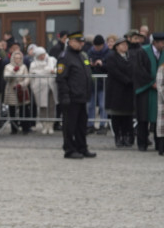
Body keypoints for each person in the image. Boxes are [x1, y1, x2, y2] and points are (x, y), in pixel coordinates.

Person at [56, 32, 96, 160]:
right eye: (78, 42)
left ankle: (81, 147)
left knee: (81, 125)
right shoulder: (65, 56)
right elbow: (61, 78)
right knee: (70, 126)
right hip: (71, 97)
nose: (81, 44)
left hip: (81, 96)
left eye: (82, 42)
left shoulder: (81, 55)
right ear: (71, 42)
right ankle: (69, 149)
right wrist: (65, 95)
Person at [132, 32, 164, 154]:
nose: (163, 44)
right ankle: (142, 142)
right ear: (154, 42)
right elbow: (139, 70)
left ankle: (159, 143)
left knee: (159, 118)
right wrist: (152, 83)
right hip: (145, 89)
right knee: (143, 117)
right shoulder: (143, 51)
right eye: (161, 42)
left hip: (159, 90)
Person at [104, 37, 134, 148]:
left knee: (127, 117)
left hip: (128, 92)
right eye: (122, 45)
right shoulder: (112, 57)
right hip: (116, 91)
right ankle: (118, 136)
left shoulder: (130, 57)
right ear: (117, 47)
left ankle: (127, 136)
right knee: (117, 116)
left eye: (126, 44)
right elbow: (114, 71)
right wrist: (127, 80)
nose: (125, 46)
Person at [28, 47, 58, 134]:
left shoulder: (52, 60)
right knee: (42, 107)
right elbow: (33, 74)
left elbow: (58, 68)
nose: (42, 57)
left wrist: (54, 71)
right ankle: (44, 125)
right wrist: (47, 71)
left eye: (43, 54)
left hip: (51, 86)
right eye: (40, 55)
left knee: (52, 106)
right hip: (40, 88)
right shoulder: (33, 64)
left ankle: (51, 125)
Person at [3, 51, 31, 134]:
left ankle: (25, 128)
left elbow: (27, 78)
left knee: (24, 109)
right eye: (16, 58)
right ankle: (14, 128)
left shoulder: (24, 67)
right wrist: (13, 72)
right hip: (11, 90)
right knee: (12, 110)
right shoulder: (8, 67)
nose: (17, 60)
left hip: (22, 90)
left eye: (19, 58)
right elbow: (6, 78)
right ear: (12, 58)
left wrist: (22, 85)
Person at [87, 35, 110, 133]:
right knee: (90, 105)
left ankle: (102, 125)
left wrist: (102, 64)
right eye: (95, 46)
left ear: (102, 45)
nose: (97, 48)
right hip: (92, 83)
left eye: (99, 46)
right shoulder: (89, 52)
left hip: (103, 83)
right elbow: (85, 62)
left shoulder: (108, 53)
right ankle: (90, 124)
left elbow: (110, 66)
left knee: (102, 105)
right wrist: (89, 64)